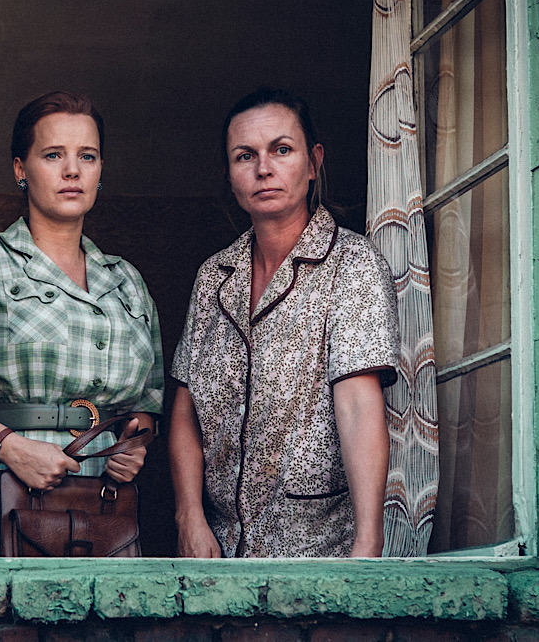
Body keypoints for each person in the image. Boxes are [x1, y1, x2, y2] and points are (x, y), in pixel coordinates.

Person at [0, 91, 164, 556]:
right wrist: (9, 447)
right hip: (1, 484)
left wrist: (134, 444)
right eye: (53, 155)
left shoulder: (127, 281)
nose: (72, 170)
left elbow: (147, 405)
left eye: (87, 156)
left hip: (102, 498)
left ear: (100, 169)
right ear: (21, 169)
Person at [168, 88, 397, 558]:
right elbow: (187, 410)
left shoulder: (352, 264)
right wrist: (189, 516)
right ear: (230, 174)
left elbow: (358, 406)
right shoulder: (215, 275)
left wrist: (368, 544)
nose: (263, 169)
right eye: (244, 156)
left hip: (318, 551)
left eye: (282, 149)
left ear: (313, 163)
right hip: (221, 551)